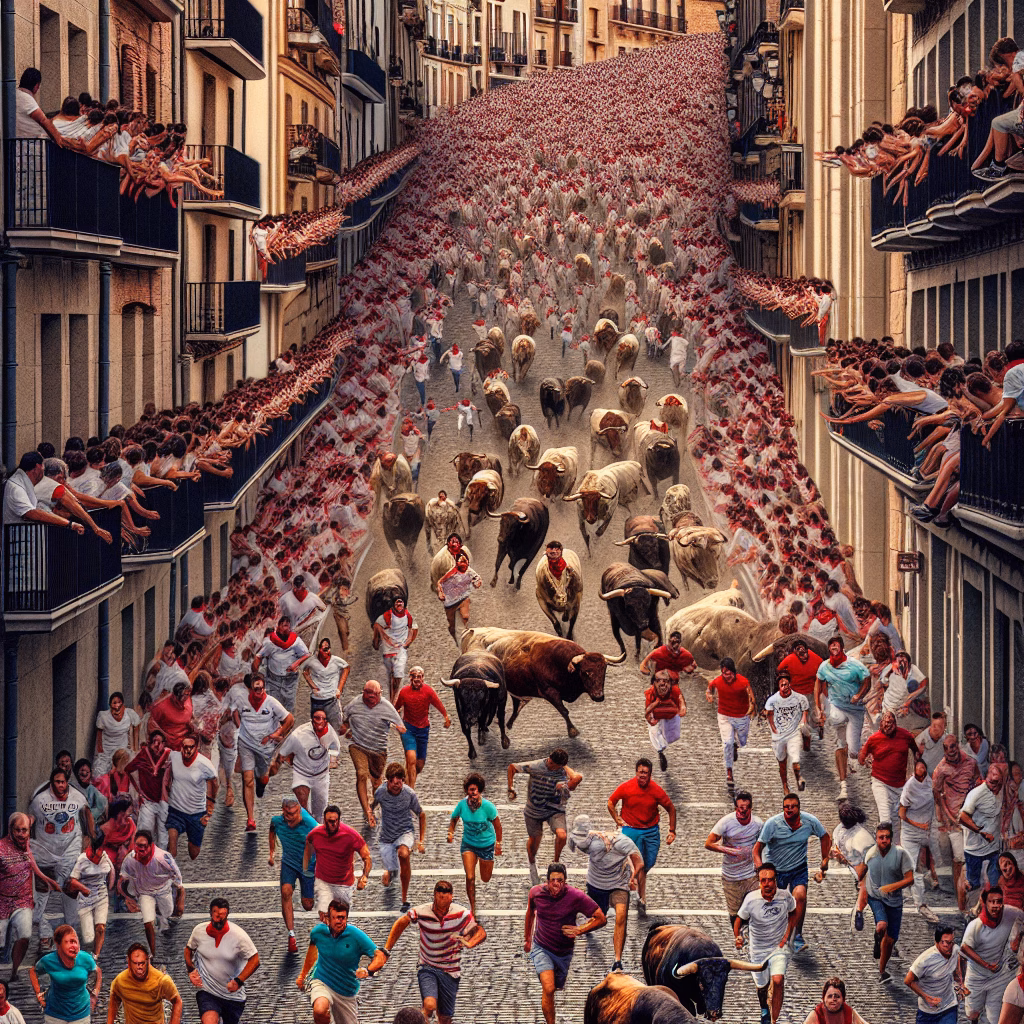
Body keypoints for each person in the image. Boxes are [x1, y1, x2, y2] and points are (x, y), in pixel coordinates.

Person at [382, 879, 486, 1024]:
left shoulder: (462, 914)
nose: (442, 907)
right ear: (434, 897)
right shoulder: (421, 911)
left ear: (451, 898)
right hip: (428, 966)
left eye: (446, 900)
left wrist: (469, 943)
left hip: (451, 970)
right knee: (429, 1005)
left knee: (445, 1018)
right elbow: (401, 922)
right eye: (439, 899)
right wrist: (386, 949)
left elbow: (480, 931)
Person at [523, 863, 606, 1024]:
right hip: (541, 947)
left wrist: (579, 930)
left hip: (563, 952)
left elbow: (601, 918)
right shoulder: (536, 893)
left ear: (565, 881)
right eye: (553, 880)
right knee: (548, 988)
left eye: (560, 880)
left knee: (556, 987)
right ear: (546, 881)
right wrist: (527, 939)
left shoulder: (576, 896)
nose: (556, 884)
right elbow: (530, 912)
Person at [753, 794, 830, 955]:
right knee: (774, 905)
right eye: (786, 806)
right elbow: (757, 849)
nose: (789, 809)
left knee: (800, 896)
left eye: (793, 806)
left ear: (799, 808)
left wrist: (825, 860)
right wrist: (761, 869)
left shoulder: (810, 821)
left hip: (798, 868)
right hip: (776, 870)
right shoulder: (773, 824)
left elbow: (824, 836)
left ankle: (796, 936)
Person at [567, 813, 643, 972]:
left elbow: (639, 862)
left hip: (619, 884)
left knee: (621, 916)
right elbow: (573, 842)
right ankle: (587, 926)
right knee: (597, 917)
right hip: (596, 884)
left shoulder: (624, 843)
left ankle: (617, 961)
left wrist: (633, 877)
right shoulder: (586, 840)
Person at [29, 767, 94, 950]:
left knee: (70, 890)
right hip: (45, 852)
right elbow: (31, 822)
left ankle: (70, 933)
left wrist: (89, 840)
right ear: (52, 782)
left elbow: (87, 815)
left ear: (67, 782)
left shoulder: (78, 797)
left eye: (63, 781)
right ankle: (45, 932)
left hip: (69, 851)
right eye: (57, 781)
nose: (60, 785)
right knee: (38, 902)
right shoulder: (39, 800)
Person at [295, 899, 388, 1024]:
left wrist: (368, 971)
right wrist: (303, 975)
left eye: (343, 918)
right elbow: (311, 953)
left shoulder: (356, 936)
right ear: (329, 917)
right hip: (322, 981)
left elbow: (380, 956)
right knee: (320, 1009)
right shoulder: (318, 933)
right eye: (336, 917)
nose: (340, 921)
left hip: (346, 992)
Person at [607, 757, 676, 912]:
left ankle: (635, 883)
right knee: (641, 864)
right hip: (631, 830)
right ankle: (641, 899)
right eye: (640, 772)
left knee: (648, 863)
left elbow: (671, 808)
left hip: (651, 831)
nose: (642, 776)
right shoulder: (626, 787)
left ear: (650, 774)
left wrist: (672, 830)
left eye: (645, 773)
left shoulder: (656, 790)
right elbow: (611, 802)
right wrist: (617, 818)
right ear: (636, 772)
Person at [0, 812, 62, 980]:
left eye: (25, 830)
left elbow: (33, 864)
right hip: (3, 901)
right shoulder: (1, 848)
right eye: (18, 830)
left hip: (23, 900)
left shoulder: (26, 845)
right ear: (11, 830)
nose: (21, 834)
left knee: (25, 936)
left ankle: (14, 971)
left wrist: (48, 880)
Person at [508, 749, 583, 885]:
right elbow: (512, 767)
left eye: (557, 765)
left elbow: (577, 778)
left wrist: (564, 767)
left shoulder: (562, 771)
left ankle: (555, 863)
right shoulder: (535, 766)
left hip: (554, 809)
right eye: (553, 763)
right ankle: (532, 865)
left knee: (562, 835)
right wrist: (511, 787)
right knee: (534, 840)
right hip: (534, 810)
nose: (553, 767)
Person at [230, 675, 294, 834]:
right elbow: (235, 713)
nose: (260, 692)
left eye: (262, 688)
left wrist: (278, 733)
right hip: (246, 745)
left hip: (266, 749)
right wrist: (239, 728)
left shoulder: (271, 703)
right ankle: (251, 819)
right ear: (251, 689)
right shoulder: (241, 701)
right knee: (247, 779)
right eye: (256, 689)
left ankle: (262, 782)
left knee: (265, 776)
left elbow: (289, 719)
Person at [735, 863, 798, 1024]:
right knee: (762, 986)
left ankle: (773, 1019)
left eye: (771, 880)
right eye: (764, 880)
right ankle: (764, 1007)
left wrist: (787, 936)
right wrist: (738, 936)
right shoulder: (751, 900)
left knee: (778, 980)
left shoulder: (785, 896)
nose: (768, 884)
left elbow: (793, 912)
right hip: (758, 950)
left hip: (778, 948)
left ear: (776, 880)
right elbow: (739, 920)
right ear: (759, 881)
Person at [341, 679, 406, 826]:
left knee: (377, 783)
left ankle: (372, 805)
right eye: (367, 692)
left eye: (374, 694)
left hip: (378, 751)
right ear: (363, 692)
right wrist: (345, 728)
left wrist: (401, 731)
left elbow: (400, 726)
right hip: (358, 746)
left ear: (380, 694)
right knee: (361, 774)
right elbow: (344, 720)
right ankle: (367, 811)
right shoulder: (354, 703)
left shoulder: (387, 707)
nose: (370, 696)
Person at [184, 898, 260, 1024]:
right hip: (208, 991)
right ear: (210, 914)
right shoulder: (199, 931)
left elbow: (255, 960)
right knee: (209, 1020)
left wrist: (238, 981)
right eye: (216, 916)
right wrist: (191, 970)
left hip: (233, 997)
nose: (219, 920)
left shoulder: (238, 936)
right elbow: (188, 950)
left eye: (223, 917)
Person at [815, 636, 871, 800]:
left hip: (855, 710)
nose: (834, 647)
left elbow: (867, 681)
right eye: (831, 645)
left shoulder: (854, 666)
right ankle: (843, 786)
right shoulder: (824, 667)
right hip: (837, 707)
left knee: (853, 750)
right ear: (829, 649)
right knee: (840, 741)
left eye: (836, 645)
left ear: (841, 648)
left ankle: (852, 756)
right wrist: (819, 706)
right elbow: (818, 683)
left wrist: (859, 695)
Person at [857, 822, 914, 984]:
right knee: (882, 924)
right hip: (875, 897)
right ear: (876, 838)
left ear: (891, 838)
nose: (884, 840)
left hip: (895, 902)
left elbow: (910, 879)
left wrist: (892, 887)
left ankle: (882, 967)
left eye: (887, 837)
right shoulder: (870, 853)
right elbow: (862, 871)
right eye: (881, 837)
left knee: (890, 940)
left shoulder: (901, 855)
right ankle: (878, 936)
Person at [117, 830, 185, 959]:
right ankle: (152, 953)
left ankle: (160, 914)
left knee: (167, 914)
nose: (141, 849)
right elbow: (122, 880)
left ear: (150, 846)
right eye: (138, 845)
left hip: (163, 890)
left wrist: (180, 892)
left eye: (144, 846)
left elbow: (176, 873)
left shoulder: (161, 857)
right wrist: (128, 898)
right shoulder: (130, 860)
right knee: (148, 922)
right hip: (145, 893)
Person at [933, 734, 982, 913]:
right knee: (960, 860)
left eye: (953, 746)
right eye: (946, 748)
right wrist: (944, 817)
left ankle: (968, 898)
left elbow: (978, 782)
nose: (950, 750)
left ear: (957, 746)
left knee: (971, 858)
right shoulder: (941, 769)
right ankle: (962, 906)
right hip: (953, 820)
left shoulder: (971, 762)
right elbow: (937, 793)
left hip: (971, 818)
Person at [961, 886, 1023, 1024]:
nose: (996, 906)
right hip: (977, 976)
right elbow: (965, 948)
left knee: (995, 1018)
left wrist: (1017, 938)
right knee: (972, 1014)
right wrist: (986, 965)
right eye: (991, 902)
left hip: (999, 977)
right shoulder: (975, 926)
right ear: (985, 903)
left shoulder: (1011, 913)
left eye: (999, 901)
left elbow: (1022, 917)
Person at [372, 763, 427, 913]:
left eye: (399, 782)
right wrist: (370, 815)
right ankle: (390, 872)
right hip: (387, 836)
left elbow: (421, 814)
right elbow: (373, 804)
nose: (396, 786)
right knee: (392, 869)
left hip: (405, 832)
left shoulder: (409, 794)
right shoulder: (381, 792)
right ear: (387, 781)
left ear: (403, 781)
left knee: (403, 854)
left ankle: (404, 898)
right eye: (392, 782)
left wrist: (420, 840)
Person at [447, 772, 502, 917]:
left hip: (486, 845)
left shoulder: (488, 807)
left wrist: (498, 843)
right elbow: (454, 819)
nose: (474, 792)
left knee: (485, 878)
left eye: (477, 789)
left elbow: (497, 825)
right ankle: (473, 908)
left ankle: (481, 863)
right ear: (467, 791)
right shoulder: (462, 805)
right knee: (470, 877)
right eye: (471, 790)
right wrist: (451, 833)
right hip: (469, 844)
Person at [859, 711, 920, 840]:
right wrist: (865, 760)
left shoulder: (905, 736)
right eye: (885, 724)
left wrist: (915, 769)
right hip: (880, 781)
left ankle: (896, 847)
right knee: (885, 817)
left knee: (896, 819)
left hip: (899, 785)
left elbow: (916, 751)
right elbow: (861, 757)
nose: (888, 727)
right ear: (881, 724)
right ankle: (883, 846)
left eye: (890, 724)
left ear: (895, 724)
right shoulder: (874, 739)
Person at [268, 796, 318, 953]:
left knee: (307, 905)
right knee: (286, 891)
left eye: (296, 813)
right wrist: (272, 852)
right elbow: (272, 830)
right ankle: (291, 935)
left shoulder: (310, 823)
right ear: (283, 811)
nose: (293, 817)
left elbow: (324, 838)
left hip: (308, 865)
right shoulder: (277, 821)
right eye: (289, 814)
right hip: (289, 863)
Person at [705, 790, 763, 926]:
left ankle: (754, 939)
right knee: (735, 913)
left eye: (745, 809)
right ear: (735, 808)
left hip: (751, 875)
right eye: (739, 809)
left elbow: (763, 846)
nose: (742, 812)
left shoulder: (758, 824)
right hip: (731, 876)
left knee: (755, 908)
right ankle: (739, 938)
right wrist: (730, 851)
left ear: (751, 808)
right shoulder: (726, 822)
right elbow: (708, 843)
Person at [273, 707, 341, 823]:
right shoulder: (298, 735)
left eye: (322, 718)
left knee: (319, 813)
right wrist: (274, 768)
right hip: (302, 773)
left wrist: (332, 760)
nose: (319, 721)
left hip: (321, 775)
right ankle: (307, 827)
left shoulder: (330, 733)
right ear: (312, 720)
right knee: (303, 805)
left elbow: (335, 748)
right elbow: (283, 753)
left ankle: (315, 829)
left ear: (326, 721)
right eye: (316, 718)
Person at [303, 805, 372, 917]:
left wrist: (365, 876)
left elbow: (367, 857)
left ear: (339, 820)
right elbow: (308, 844)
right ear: (324, 821)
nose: (333, 824)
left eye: (335, 821)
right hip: (323, 881)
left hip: (344, 884)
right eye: (330, 821)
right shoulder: (315, 834)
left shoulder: (351, 835)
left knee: (339, 918)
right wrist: (306, 869)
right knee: (324, 915)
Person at [29, 925, 101, 1024]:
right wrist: (38, 993)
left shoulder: (85, 958)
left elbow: (98, 971)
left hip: (81, 1014)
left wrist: (95, 993)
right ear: (58, 944)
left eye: (76, 942)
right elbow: (33, 971)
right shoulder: (49, 960)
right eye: (69, 942)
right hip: (55, 1014)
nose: (74, 946)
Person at [394, 666, 451, 788]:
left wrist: (446, 716)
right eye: (413, 677)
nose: (416, 679)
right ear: (410, 678)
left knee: (419, 765)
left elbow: (438, 703)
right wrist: (396, 723)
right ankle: (410, 792)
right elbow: (396, 708)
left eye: (418, 677)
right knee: (411, 758)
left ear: (423, 678)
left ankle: (407, 777)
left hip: (423, 730)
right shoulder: (404, 692)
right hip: (408, 728)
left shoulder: (428, 691)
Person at [900, 757, 941, 923]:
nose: (921, 770)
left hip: (927, 832)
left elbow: (936, 799)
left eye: (923, 767)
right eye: (919, 767)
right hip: (911, 834)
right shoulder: (909, 787)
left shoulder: (929, 783)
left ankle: (904, 890)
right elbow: (901, 814)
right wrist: (918, 824)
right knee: (914, 869)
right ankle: (920, 904)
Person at [706, 657, 756, 789]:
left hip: (741, 716)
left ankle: (736, 746)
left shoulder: (743, 682)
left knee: (742, 742)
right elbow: (709, 688)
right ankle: (729, 772)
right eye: (724, 673)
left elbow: (751, 697)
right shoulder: (718, 681)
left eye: (728, 673)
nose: (726, 676)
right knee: (727, 742)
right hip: (724, 716)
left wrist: (751, 709)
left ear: (733, 672)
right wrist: (709, 695)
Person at [165, 734, 217, 862]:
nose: (187, 750)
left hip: (196, 813)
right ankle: (170, 872)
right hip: (176, 810)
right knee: (172, 844)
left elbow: (214, 782)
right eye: (185, 747)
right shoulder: (174, 757)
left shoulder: (204, 764)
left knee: (193, 853)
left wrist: (210, 804)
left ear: (197, 747)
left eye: (191, 747)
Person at [962, 766, 1011, 900]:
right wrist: (980, 831)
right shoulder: (976, 793)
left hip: (993, 848)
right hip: (974, 849)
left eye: (998, 782)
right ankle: (967, 910)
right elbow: (962, 817)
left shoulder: (1001, 791)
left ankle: (988, 915)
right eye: (991, 781)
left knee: (995, 883)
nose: (994, 786)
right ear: (986, 779)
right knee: (974, 884)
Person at [107, 944, 182, 1024]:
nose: (139, 967)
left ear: (148, 961)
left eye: (142, 963)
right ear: (129, 963)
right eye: (135, 963)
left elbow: (177, 1001)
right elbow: (114, 999)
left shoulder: (161, 980)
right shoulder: (120, 980)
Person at [905, 926, 965, 1024]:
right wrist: (926, 997)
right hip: (927, 1012)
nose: (950, 946)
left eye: (952, 942)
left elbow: (958, 968)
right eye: (946, 942)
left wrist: (960, 983)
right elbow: (908, 980)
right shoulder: (925, 960)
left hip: (949, 1006)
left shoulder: (955, 950)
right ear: (936, 942)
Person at [68, 834, 115, 956]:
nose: (102, 852)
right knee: (88, 937)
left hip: (101, 895)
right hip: (85, 899)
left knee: (100, 928)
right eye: (99, 850)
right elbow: (72, 880)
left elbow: (111, 872)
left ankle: (95, 955)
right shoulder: (83, 859)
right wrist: (84, 889)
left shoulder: (105, 857)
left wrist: (112, 886)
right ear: (94, 849)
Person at [765, 671, 810, 794]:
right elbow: (769, 715)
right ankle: (785, 785)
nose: (784, 687)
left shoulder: (799, 698)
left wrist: (803, 720)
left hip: (793, 733)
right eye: (782, 684)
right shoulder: (772, 700)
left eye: (786, 684)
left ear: (790, 684)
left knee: (795, 759)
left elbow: (805, 710)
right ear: (779, 686)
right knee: (782, 762)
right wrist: (773, 728)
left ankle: (798, 778)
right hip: (779, 736)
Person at [253, 616, 309, 713]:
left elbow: (306, 654)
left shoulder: (296, 641)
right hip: (274, 679)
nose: (286, 628)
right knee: (274, 705)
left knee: (289, 706)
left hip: (290, 679)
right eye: (284, 626)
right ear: (278, 627)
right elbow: (259, 656)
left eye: (288, 626)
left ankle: (287, 725)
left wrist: (296, 663)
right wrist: (256, 675)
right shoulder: (270, 642)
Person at [294, 638, 350, 734]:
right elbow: (303, 670)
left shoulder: (336, 661)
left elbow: (346, 668)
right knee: (317, 729)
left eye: (327, 649)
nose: (326, 651)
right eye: (323, 649)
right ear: (318, 650)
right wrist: (312, 686)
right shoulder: (312, 661)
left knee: (335, 728)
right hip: (317, 701)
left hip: (332, 700)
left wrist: (339, 689)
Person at [127, 731, 172, 848]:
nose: (157, 746)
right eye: (154, 742)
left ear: (164, 744)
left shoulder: (169, 755)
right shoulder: (143, 754)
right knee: (145, 833)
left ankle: (161, 863)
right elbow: (128, 770)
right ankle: (143, 862)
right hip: (148, 801)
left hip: (165, 801)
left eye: (160, 742)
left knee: (163, 836)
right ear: (149, 743)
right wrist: (138, 790)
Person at [777, 639, 824, 752]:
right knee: (801, 721)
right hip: (798, 696)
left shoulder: (793, 658)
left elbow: (779, 670)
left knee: (811, 719)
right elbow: (780, 670)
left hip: (809, 694)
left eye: (803, 650)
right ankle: (807, 735)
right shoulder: (791, 659)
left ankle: (816, 728)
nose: (802, 653)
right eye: (799, 650)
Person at [372, 597, 418, 701]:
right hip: (388, 650)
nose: (399, 605)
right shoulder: (385, 616)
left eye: (401, 603)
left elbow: (414, 629)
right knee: (391, 674)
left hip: (400, 650)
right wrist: (380, 638)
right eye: (397, 603)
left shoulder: (408, 616)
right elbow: (376, 625)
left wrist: (408, 642)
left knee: (398, 674)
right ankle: (393, 697)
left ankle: (394, 700)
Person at [644, 668, 686, 771]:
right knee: (653, 732)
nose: (662, 684)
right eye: (658, 681)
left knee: (674, 736)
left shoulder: (675, 691)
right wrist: (651, 717)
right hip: (657, 714)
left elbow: (681, 702)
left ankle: (662, 745)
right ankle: (660, 751)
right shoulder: (651, 692)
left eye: (665, 681)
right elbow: (648, 711)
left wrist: (681, 708)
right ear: (654, 683)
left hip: (671, 714)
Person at [436, 552, 483, 641]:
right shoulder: (452, 572)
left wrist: (477, 582)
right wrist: (440, 593)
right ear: (457, 563)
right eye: (461, 561)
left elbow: (477, 578)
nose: (464, 564)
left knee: (465, 617)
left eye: (465, 561)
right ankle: (455, 634)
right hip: (450, 602)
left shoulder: (469, 571)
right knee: (452, 626)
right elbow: (440, 582)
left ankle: (465, 631)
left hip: (463, 598)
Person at [94, 692, 141, 776]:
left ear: (123, 704)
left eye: (119, 702)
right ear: (110, 705)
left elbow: (136, 726)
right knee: (100, 775)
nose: (117, 705)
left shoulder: (129, 714)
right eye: (114, 703)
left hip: (122, 750)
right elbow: (99, 737)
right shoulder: (103, 716)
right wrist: (100, 753)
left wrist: (135, 748)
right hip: (107, 752)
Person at [802, 976, 872, 1024]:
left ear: (843, 999)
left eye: (837, 997)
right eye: (830, 996)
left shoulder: (849, 1012)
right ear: (823, 998)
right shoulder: (816, 1014)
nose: (833, 1000)